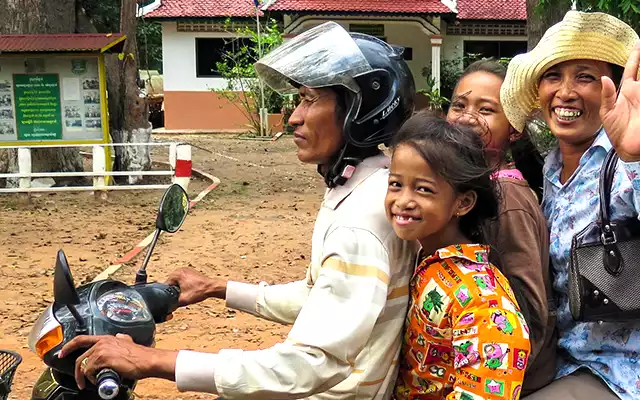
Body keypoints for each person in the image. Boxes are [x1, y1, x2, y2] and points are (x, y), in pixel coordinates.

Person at [59, 22, 420, 400]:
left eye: (310, 100)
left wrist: (155, 360)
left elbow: (311, 364)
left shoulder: (360, 223)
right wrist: (217, 288)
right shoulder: (367, 187)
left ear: (361, 111)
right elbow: (322, 299)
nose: (294, 117)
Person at [499, 11, 640, 400]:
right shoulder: (547, 169)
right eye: (553, 76)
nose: (565, 91)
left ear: (615, 90)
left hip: (630, 373)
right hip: (560, 361)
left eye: (585, 76)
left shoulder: (630, 165)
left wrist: (639, 158)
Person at [386, 112, 531, 400]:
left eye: (423, 189)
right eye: (395, 184)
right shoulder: (419, 257)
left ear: (463, 203)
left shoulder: (482, 301)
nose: (402, 201)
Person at [445, 59, 556, 395]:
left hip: (506, 378)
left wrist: (498, 382)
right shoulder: (466, 188)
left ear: (515, 128)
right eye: (459, 105)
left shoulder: (507, 197)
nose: (467, 117)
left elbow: (530, 309)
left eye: (486, 109)